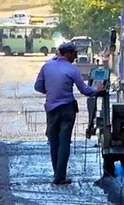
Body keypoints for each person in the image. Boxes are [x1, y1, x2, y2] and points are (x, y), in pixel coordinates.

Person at [35, 41, 104, 185]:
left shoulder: (47, 66)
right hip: (67, 109)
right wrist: (97, 89)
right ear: (66, 53)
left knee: (54, 142)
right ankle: (60, 177)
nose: (76, 56)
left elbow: (38, 86)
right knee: (64, 141)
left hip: (51, 109)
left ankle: (57, 174)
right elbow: (85, 90)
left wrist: (50, 91)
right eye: (74, 53)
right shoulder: (72, 69)